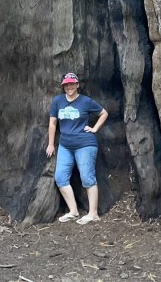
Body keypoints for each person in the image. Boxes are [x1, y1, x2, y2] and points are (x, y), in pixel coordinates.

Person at [46, 72, 108, 224]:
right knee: (60, 177)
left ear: (77, 85)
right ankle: (73, 211)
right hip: (65, 145)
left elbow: (104, 113)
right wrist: (50, 144)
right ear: (63, 86)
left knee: (87, 177)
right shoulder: (58, 101)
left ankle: (93, 213)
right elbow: (53, 123)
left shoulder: (85, 101)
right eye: (66, 84)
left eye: (72, 84)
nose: (69, 87)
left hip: (85, 144)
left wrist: (94, 129)